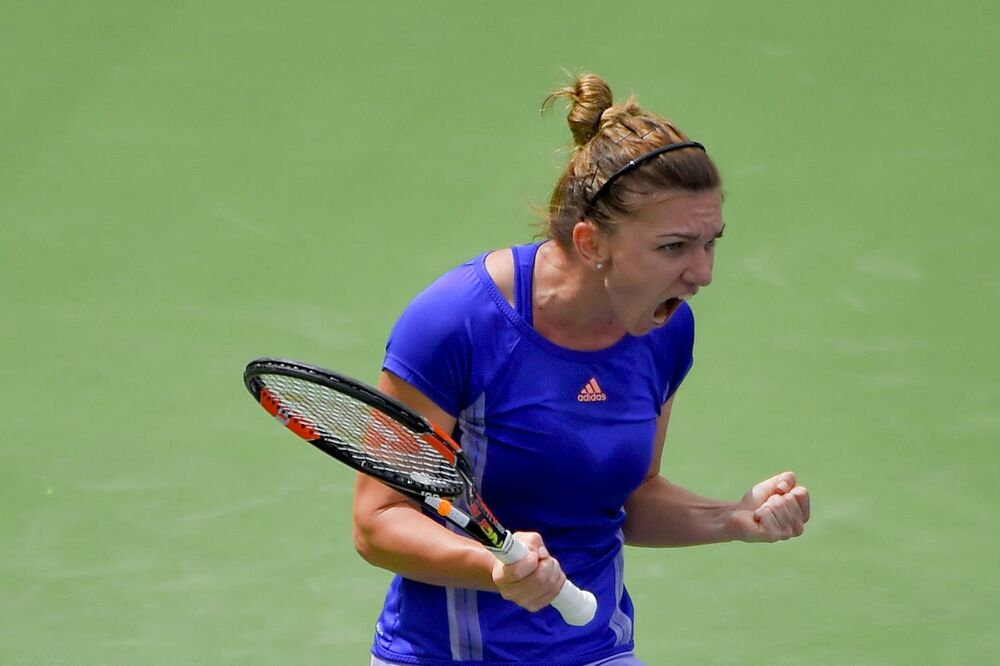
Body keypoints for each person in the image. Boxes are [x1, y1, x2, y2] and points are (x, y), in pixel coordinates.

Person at [353, 73, 810, 666]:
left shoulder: (664, 328)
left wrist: (731, 517)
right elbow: (379, 520)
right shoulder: (457, 322)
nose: (702, 273)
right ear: (592, 244)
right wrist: (495, 568)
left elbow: (632, 496)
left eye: (711, 242)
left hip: (596, 650)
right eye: (674, 247)